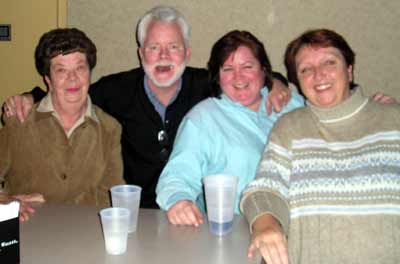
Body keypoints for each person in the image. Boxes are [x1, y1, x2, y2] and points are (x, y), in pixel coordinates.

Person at [1, 6, 291, 209]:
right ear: (141, 54)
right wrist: (30, 96)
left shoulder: (206, 85)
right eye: (153, 48)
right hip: (132, 216)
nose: (163, 56)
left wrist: (276, 82)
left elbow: (245, 78)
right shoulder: (117, 90)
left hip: (190, 214)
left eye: (173, 47)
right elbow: (71, 87)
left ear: (187, 52)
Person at [240, 29, 400, 264]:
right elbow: (265, 189)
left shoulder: (392, 121)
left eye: (329, 62)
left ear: (349, 69)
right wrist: (266, 224)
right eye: (306, 69)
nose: (319, 75)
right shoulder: (290, 128)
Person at [156, 30, 305, 227]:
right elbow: (177, 176)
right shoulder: (203, 119)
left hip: (306, 226)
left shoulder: (293, 103)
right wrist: (179, 201)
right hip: (240, 232)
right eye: (227, 69)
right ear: (218, 76)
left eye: (247, 66)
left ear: (264, 70)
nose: (238, 78)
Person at [0, 28, 124, 221]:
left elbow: (111, 197)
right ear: (48, 79)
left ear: (90, 73)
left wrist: (46, 201)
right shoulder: (20, 121)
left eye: (80, 68)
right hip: (26, 232)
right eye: (61, 70)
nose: (72, 78)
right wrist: (6, 200)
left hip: (85, 232)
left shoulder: (109, 129)